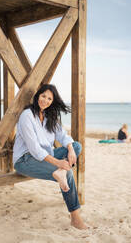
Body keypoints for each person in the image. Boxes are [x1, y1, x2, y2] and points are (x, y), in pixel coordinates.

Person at [13, 84, 88, 230]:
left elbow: (63, 135)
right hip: (25, 160)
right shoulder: (27, 115)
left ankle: (61, 172)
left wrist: (71, 149)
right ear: (37, 96)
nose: (45, 100)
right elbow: (35, 149)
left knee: (77, 146)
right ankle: (75, 217)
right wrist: (59, 163)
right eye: (43, 96)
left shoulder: (49, 116)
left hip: (47, 156)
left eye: (49, 99)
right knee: (68, 172)